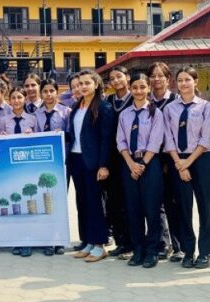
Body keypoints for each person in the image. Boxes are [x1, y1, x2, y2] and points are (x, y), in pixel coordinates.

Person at [163, 67, 210, 269]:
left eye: (188, 79)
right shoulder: (169, 109)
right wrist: (179, 163)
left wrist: (187, 162)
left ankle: (205, 252)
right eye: (180, 80)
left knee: (205, 207)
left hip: (201, 160)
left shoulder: (205, 107)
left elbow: (206, 139)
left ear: (195, 82)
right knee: (183, 208)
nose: (184, 83)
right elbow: (168, 138)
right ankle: (188, 251)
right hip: (178, 160)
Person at [116, 73, 165, 268]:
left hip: (150, 164)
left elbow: (155, 141)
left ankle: (152, 251)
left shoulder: (155, 113)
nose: (138, 91)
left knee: (152, 209)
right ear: (130, 88)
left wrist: (142, 164)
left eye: (142, 87)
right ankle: (138, 250)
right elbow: (121, 141)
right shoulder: (124, 114)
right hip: (129, 164)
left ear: (148, 88)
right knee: (133, 209)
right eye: (135, 87)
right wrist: (131, 164)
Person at [67, 70, 114, 263]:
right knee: (82, 202)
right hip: (76, 160)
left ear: (96, 84)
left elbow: (106, 139)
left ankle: (99, 245)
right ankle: (87, 241)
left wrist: (103, 165)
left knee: (95, 204)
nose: (82, 87)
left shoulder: (103, 107)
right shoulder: (77, 106)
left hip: (94, 163)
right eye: (79, 84)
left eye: (87, 83)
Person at [147, 61, 183, 262]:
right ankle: (162, 244)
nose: (157, 79)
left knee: (173, 203)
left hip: (172, 157)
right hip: (151, 158)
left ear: (168, 79)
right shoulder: (146, 101)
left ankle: (179, 247)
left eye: (161, 75)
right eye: (153, 76)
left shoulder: (176, 100)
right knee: (155, 204)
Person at [0, 86, 38, 257]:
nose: (16, 101)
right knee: (14, 203)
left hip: (27, 167)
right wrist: (0, 137)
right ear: (9, 100)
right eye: (13, 97)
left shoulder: (32, 119)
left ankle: (30, 239)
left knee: (28, 201)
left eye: (19, 97)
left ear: (25, 99)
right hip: (9, 168)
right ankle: (16, 239)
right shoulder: (3, 120)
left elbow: (41, 141)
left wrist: (33, 136)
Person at [35, 78, 71, 256]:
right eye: (45, 91)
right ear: (41, 94)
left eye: (51, 91)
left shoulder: (66, 112)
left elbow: (72, 136)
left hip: (61, 163)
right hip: (42, 164)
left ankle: (60, 239)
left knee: (60, 201)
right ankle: (48, 240)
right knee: (45, 201)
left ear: (57, 92)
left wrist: (62, 135)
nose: (48, 95)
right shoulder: (36, 114)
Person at [105, 66, 133, 259]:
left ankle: (133, 242)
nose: (115, 81)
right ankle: (121, 242)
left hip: (131, 157)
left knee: (130, 201)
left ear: (127, 77)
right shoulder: (108, 101)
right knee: (114, 202)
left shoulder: (136, 98)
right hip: (113, 157)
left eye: (119, 76)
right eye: (112, 78)